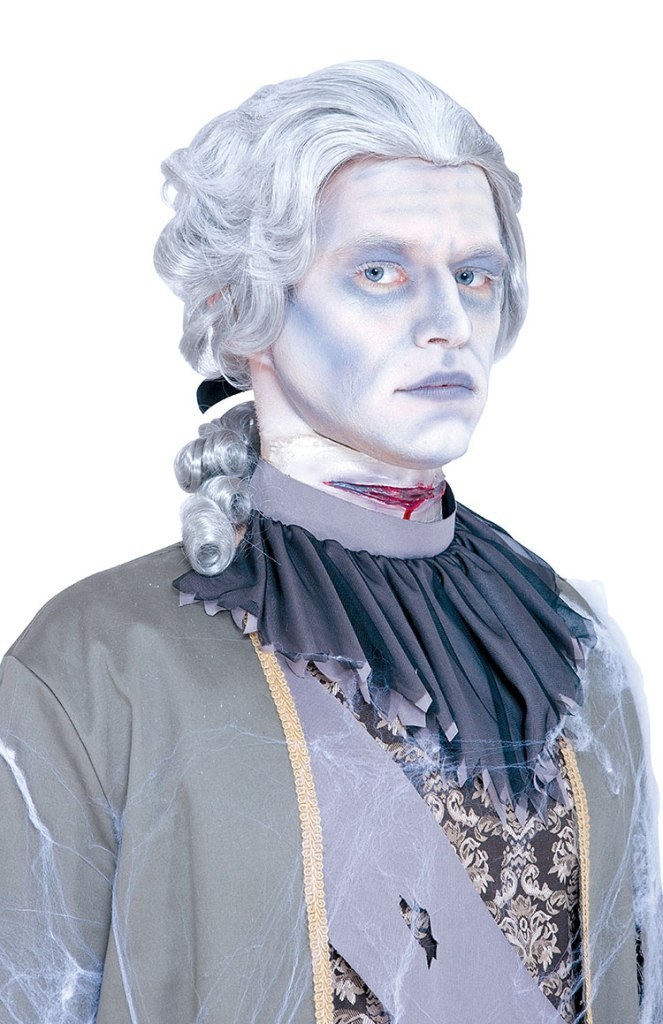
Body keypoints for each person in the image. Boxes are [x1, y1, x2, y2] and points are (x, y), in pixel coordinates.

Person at [0, 60, 660, 1024]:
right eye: (379, 272)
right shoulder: (103, 663)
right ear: (240, 308)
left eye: (472, 276)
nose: (448, 324)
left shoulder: (566, 642)